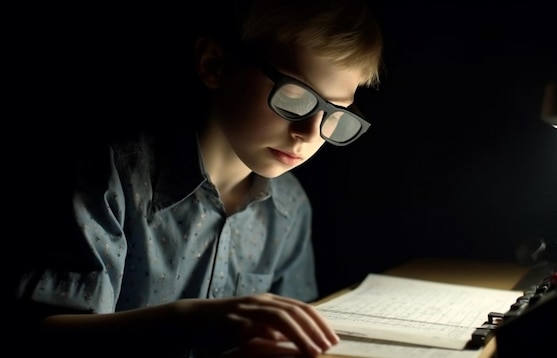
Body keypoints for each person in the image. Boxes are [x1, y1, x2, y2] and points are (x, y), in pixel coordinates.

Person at [10, 0, 384, 357]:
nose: (309, 133)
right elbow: (40, 336)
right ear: (214, 65)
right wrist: (190, 320)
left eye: (336, 114)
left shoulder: (289, 207)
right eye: (296, 97)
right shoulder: (114, 176)